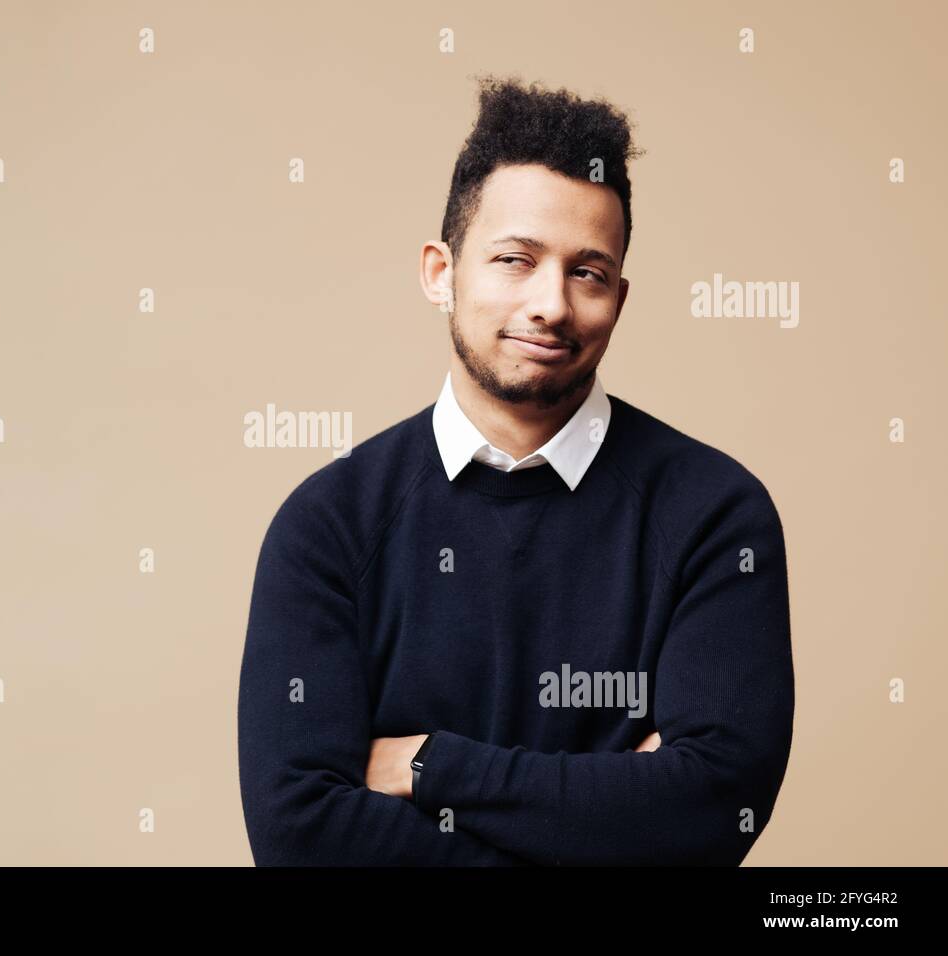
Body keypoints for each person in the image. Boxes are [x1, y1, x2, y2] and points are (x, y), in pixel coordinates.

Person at [236, 75, 794, 866]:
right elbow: (300, 838)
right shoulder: (330, 523)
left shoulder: (712, 512)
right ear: (441, 272)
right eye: (514, 260)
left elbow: (714, 808)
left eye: (587, 272)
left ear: (620, 298)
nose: (552, 305)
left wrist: (432, 765)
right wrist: (612, 811)